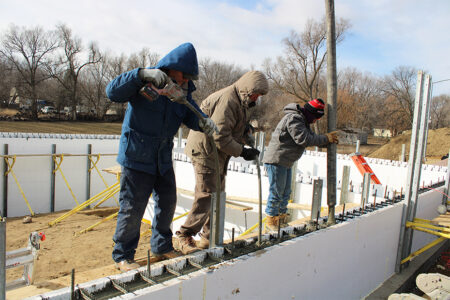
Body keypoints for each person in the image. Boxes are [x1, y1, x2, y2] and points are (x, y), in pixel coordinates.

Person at [106, 42, 217, 272]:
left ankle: (161, 245)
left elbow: (190, 112)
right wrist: (140, 74)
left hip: (162, 157)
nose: (186, 81)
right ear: (171, 67)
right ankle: (123, 256)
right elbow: (112, 92)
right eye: (184, 76)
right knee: (133, 208)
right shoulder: (145, 80)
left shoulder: (181, 92)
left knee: (167, 203)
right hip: (137, 156)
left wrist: (203, 121)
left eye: (189, 77)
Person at [174, 71, 269, 254]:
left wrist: (245, 131)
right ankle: (183, 235)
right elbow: (220, 137)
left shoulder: (240, 101)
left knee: (218, 195)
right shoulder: (228, 100)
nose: (257, 98)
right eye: (256, 94)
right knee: (207, 195)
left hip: (217, 153)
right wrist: (243, 151)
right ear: (247, 89)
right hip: (206, 150)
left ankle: (209, 239)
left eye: (260, 96)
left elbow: (230, 127)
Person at [262, 98, 339, 231]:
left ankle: (280, 219)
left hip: (285, 161)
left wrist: (326, 141)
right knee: (277, 191)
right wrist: (326, 138)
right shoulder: (294, 119)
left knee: (286, 192)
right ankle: (271, 221)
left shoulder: (302, 120)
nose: (315, 121)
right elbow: (304, 139)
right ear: (311, 113)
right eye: (315, 118)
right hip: (276, 159)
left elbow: (311, 136)